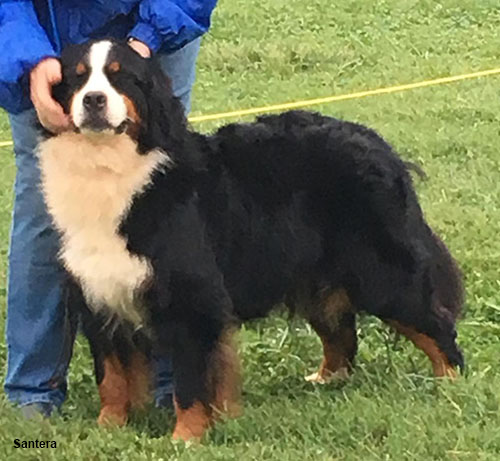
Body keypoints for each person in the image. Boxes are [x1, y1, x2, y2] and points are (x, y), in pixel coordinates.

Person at [0, 0, 217, 419]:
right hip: (49, 34)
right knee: (41, 206)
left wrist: (148, 38)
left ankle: (180, 384)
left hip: (156, 22)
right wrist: (31, 56)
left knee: (170, 201)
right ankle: (33, 391)